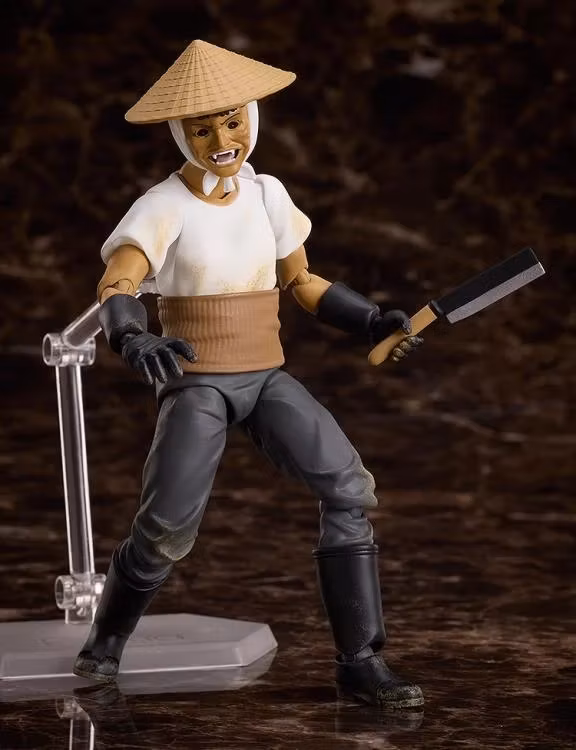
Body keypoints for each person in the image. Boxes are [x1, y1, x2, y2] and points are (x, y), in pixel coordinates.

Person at [73, 40, 424, 708]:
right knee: (165, 527)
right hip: (197, 381)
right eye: (202, 129)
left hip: (265, 376)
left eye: (232, 121)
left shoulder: (267, 194)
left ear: (253, 118)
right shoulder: (163, 205)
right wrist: (130, 332)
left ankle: (360, 661)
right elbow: (119, 280)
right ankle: (106, 640)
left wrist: (370, 318)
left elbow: (303, 281)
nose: (221, 140)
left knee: (348, 488)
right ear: (181, 134)